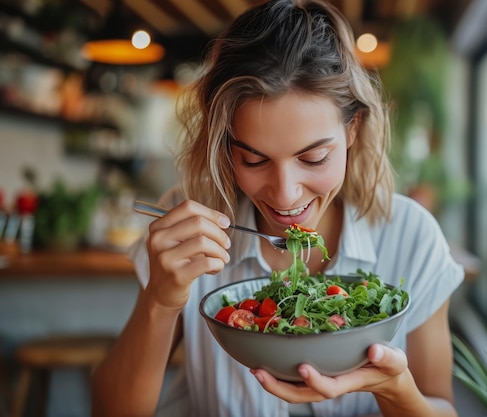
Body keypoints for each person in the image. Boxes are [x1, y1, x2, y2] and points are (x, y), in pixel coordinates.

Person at [91, 0, 464, 416]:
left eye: (314, 158)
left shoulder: (411, 234)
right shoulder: (190, 218)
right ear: (225, 147)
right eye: (254, 160)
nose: (285, 196)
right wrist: (160, 301)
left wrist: (396, 390)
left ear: (353, 128)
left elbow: (442, 407)